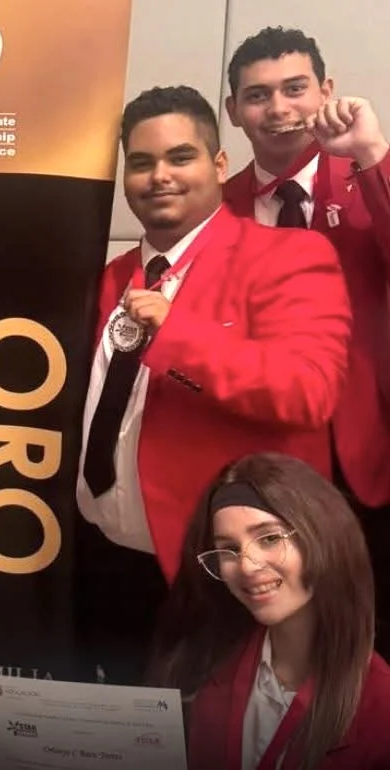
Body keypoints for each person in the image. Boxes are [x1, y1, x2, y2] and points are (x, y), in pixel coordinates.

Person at [73, 85, 351, 686]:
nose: (159, 176)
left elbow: (309, 392)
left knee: (210, 727)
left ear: (220, 164)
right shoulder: (111, 277)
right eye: (141, 163)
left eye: (180, 157)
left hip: (218, 572)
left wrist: (178, 335)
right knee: (117, 723)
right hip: (102, 561)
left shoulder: (288, 256)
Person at [222, 25, 390, 658]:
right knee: (267, 643)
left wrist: (370, 153)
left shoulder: (367, 175)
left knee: (367, 640)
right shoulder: (217, 206)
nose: (279, 108)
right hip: (261, 462)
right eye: (257, 95)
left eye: (295, 88)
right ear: (234, 111)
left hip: (366, 457)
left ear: (326, 90)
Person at [149, 453, 390, 769]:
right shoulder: (203, 669)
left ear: (323, 537)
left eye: (270, 538)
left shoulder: (380, 707)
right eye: (229, 549)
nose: (247, 567)